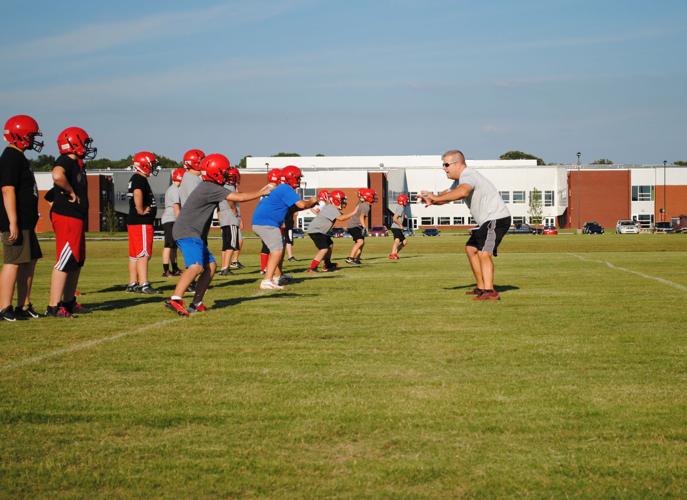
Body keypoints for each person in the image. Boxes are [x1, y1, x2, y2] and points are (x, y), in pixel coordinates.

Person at [165, 154, 269, 316]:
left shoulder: (209, 186)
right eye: (224, 171)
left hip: (193, 232)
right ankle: (175, 299)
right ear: (215, 172)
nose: (227, 174)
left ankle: (197, 301)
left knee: (211, 267)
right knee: (196, 266)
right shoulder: (210, 187)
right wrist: (261, 192)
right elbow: (239, 197)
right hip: (188, 231)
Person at [419, 149, 511, 301]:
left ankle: (490, 291)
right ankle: (481, 288)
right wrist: (431, 198)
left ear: (457, 163)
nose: (444, 168)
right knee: (471, 249)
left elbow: (463, 192)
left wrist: (434, 198)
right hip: (486, 221)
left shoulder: (468, 175)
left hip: (497, 218)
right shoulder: (460, 180)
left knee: (483, 253)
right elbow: (446, 196)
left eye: (446, 164)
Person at [46, 126, 97, 317]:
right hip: (67, 217)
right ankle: (53, 305)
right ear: (74, 143)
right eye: (84, 142)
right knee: (65, 260)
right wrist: (70, 191)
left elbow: (49, 196)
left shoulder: (77, 163)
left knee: (76, 261)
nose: (86, 146)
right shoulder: (65, 160)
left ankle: (68, 302)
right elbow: (57, 175)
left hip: (74, 216)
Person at [0, 114, 44, 321]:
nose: (34, 139)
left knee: (29, 261)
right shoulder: (10, 157)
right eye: (31, 135)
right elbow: (7, 190)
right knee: (14, 261)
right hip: (16, 221)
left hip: (26, 221)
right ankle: (4, 307)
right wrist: (13, 221)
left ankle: (23, 305)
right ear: (20, 135)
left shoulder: (19, 157)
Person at [252, 165, 316, 290]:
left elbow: (294, 208)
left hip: (265, 222)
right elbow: (301, 205)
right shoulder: (285, 188)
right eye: (297, 178)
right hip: (267, 223)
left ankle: (277, 277)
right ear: (290, 178)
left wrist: (310, 205)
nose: (298, 181)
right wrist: (312, 201)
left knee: (278, 250)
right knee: (277, 251)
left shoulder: (282, 188)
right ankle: (267, 280)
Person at [126, 151, 159, 294]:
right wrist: (140, 209)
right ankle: (144, 284)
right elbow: (137, 193)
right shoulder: (139, 179)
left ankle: (133, 283)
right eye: (151, 164)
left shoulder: (135, 178)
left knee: (134, 255)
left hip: (134, 222)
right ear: (144, 164)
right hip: (141, 222)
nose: (153, 167)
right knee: (144, 253)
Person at [306, 190, 357, 272]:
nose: (344, 202)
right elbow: (341, 218)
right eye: (342, 200)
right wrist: (354, 212)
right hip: (316, 231)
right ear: (336, 200)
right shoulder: (331, 208)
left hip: (319, 231)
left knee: (330, 244)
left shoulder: (331, 208)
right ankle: (312, 268)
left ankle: (327, 264)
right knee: (324, 249)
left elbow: (342, 216)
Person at [160, 167, 185, 277]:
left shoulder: (174, 188)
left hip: (172, 219)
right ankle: (166, 270)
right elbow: (176, 207)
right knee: (168, 245)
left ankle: (174, 268)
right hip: (171, 219)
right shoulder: (174, 189)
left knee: (174, 246)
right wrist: (181, 221)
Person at [218, 167, 241, 276]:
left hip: (223, 217)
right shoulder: (230, 187)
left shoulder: (221, 186)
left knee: (225, 245)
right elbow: (230, 199)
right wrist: (234, 209)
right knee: (231, 245)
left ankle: (223, 267)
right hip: (230, 217)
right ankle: (226, 268)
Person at [345, 187, 376, 265]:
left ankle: (356, 259)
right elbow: (361, 217)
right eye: (372, 196)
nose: (374, 197)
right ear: (368, 197)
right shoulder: (366, 206)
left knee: (362, 242)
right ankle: (350, 258)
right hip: (354, 225)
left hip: (355, 225)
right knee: (360, 241)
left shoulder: (363, 204)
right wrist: (364, 226)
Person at [389, 193, 409, 260]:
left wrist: (404, 216)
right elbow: (394, 218)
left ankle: (395, 253)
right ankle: (392, 254)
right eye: (406, 200)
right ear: (402, 201)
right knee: (397, 240)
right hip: (396, 227)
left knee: (404, 242)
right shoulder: (400, 207)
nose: (407, 201)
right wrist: (400, 225)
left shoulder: (401, 207)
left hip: (397, 227)